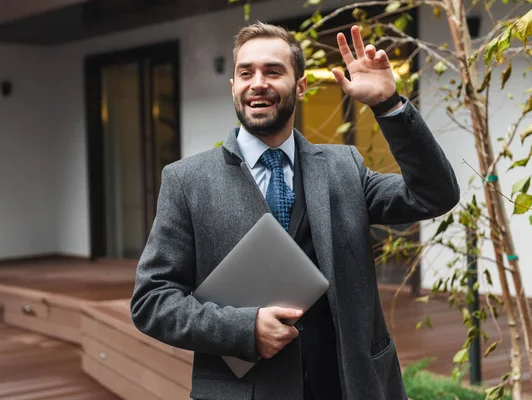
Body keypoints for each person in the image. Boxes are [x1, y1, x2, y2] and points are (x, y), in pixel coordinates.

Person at [130, 21, 459, 400]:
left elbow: (434, 195)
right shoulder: (186, 181)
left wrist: (388, 106)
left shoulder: (344, 167)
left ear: (300, 86)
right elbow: (152, 300)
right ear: (233, 87)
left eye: (273, 71)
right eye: (246, 72)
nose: (258, 83)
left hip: (350, 386)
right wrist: (244, 328)